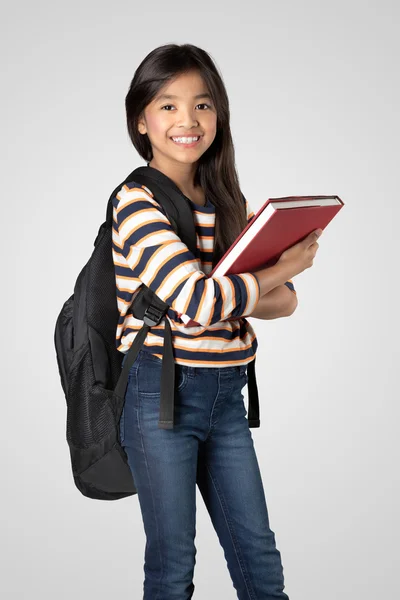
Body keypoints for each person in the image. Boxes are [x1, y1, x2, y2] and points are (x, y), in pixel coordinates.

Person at [112, 43, 321, 600]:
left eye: (202, 105)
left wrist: (263, 282)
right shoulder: (136, 202)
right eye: (168, 105)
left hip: (227, 392)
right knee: (174, 566)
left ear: (219, 115)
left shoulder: (226, 198)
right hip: (161, 393)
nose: (187, 120)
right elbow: (199, 304)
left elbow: (286, 303)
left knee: (258, 558)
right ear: (142, 119)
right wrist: (282, 268)